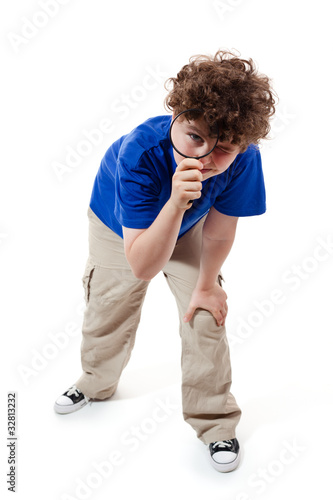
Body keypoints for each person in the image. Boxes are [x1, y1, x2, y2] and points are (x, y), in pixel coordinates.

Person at [54, 49, 276, 473]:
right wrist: (174, 201)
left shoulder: (243, 157)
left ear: (241, 145)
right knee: (109, 305)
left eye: (224, 149)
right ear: (176, 115)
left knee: (206, 312)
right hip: (119, 229)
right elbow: (142, 265)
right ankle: (96, 383)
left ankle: (214, 421)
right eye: (195, 137)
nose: (205, 158)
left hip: (190, 224)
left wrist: (207, 284)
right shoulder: (137, 153)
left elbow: (219, 229)